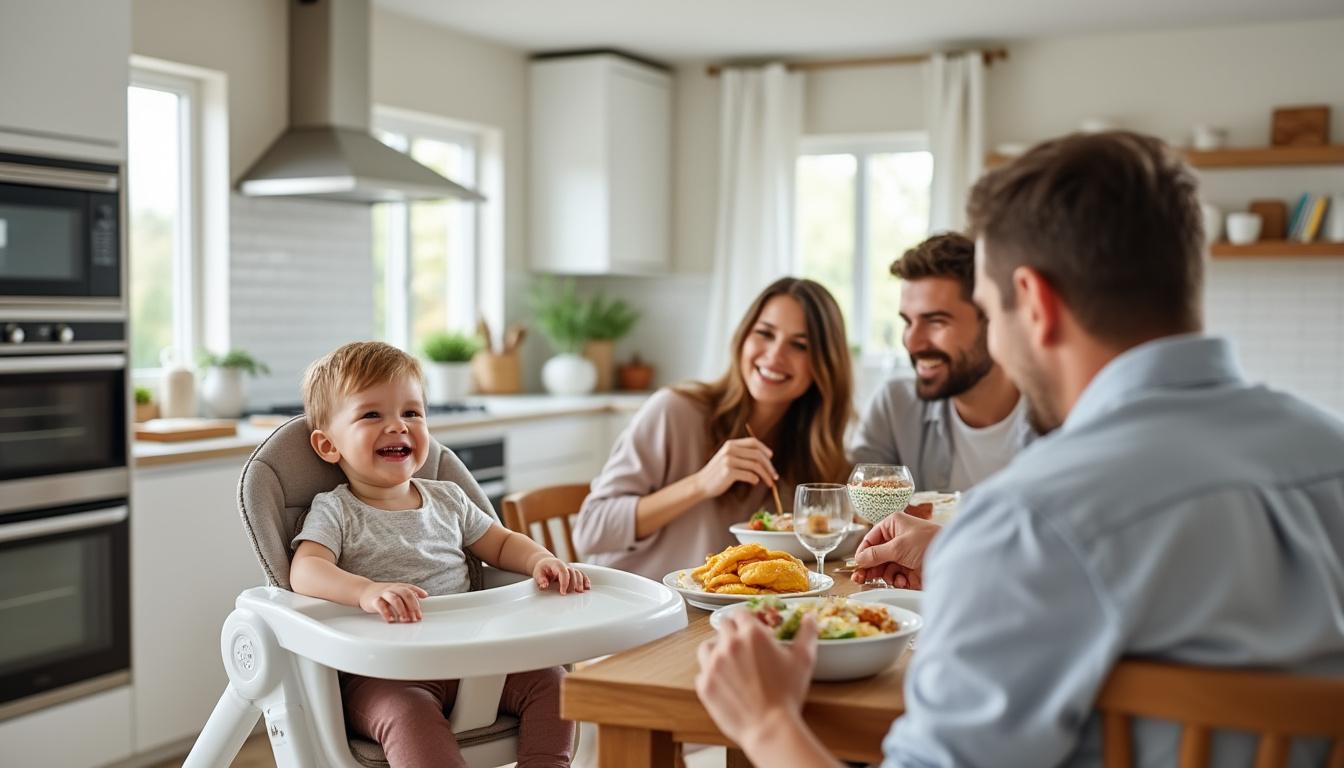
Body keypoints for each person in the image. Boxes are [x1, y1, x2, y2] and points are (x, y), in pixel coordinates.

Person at [695, 131, 1344, 767]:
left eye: (988, 307)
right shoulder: (1330, 452)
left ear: (1034, 302)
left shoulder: (1030, 520)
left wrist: (768, 722)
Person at [289, 341, 587, 768]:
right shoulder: (337, 510)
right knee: (406, 714)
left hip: (474, 657)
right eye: (372, 414)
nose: (398, 426)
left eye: (411, 413)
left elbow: (501, 543)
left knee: (553, 682)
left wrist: (540, 560)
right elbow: (307, 569)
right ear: (327, 446)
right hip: (386, 674)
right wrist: (366, 592)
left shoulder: (448, 498)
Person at [573, 277, 853, 580]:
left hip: (729, 619)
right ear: (743, 337)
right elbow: (590, 530)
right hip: (640, 609)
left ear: (825, 363)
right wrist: (701, 484)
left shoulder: (813, 449)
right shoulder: (674, 411)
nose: (774, 355)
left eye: (800, 345)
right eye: (764, 333)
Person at [850, 232, 1033, 492]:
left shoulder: (1059, 418)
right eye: (908, 322)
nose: (912, 342)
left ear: (992, 320)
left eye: (936, 322)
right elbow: (855, 512)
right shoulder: (895, 406)